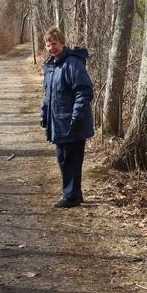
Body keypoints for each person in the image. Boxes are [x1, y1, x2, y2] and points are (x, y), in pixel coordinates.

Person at [40, 26, 94, 208]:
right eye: (48, 45)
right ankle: (71, 193)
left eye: (54, 44)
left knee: (72, 159)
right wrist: (43, 113)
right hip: (57, 122)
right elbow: (48, 94)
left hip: (73, 122)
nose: (51, 48)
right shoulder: (50, 66)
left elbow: (84, 91)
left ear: (62, 43)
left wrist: (77, 114)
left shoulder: (73, 63)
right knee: (63, 159)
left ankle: (71, 196)